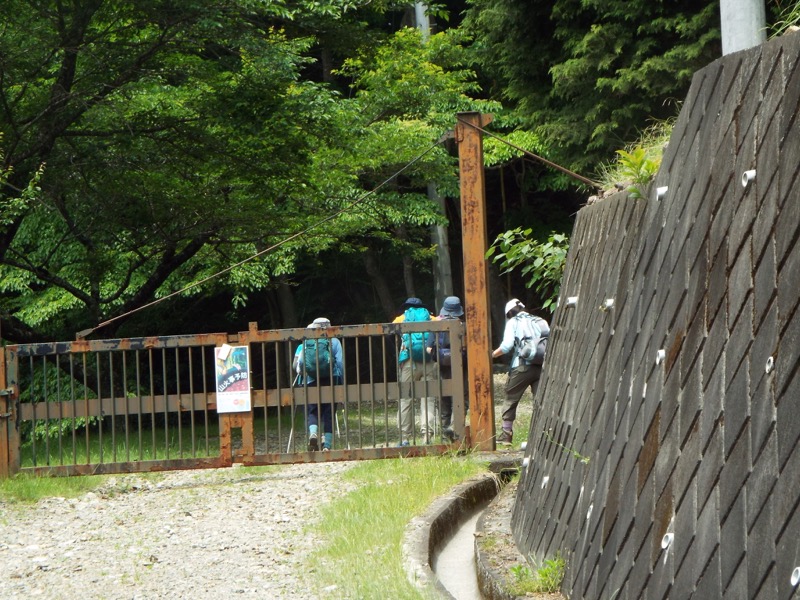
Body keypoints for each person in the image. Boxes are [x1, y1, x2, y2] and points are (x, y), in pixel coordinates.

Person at [491, 299, 548, 446]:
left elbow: (507, 346)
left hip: (521, 367)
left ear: (509, 313)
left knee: (511, 398)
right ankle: (541, 435)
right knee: (540, 402)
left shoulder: (513, 322)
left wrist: (491, 355)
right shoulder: (540, 320)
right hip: (541, 366)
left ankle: (506, 435)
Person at [294, 318, 343, 451]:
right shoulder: (335, 341)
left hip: (311, 380)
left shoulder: (308, 341)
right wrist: (341, 382)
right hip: (331, 380)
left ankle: (314, 434)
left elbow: (301, 363)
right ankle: (327, 445)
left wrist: (306, 374)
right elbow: (339, 363)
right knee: (329, 411)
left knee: (312, 410)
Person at [395, 297, 438, 445]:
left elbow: (388, 332)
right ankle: (427, 435)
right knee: (428, 397)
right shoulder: (431, 318)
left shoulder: (402, 318)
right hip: (428, 361)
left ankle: (405, 437)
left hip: (409, 361)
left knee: (405, 398)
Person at [427, 296, 468, 443]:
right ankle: (457, 432)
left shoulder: (437, 325)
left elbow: (428, 348)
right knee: (462, 398)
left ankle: (445, 437)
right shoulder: (463, 325)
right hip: (461, 368)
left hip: (442, 367)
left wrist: (439, 356)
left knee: (444, 399)